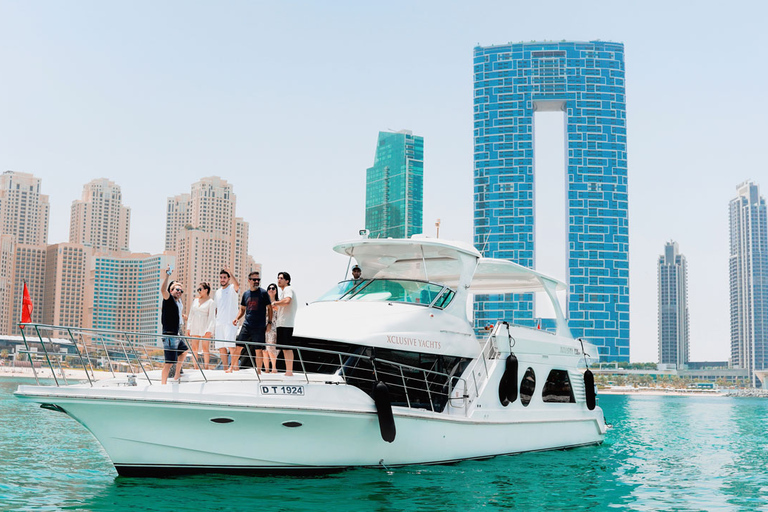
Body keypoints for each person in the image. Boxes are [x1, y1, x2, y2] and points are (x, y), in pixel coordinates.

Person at [234, 271, 272, 373]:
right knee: (238, 347)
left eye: (258, 280)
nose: (256, 281)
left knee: (258, 350)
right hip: (247, 325)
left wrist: (269, 323)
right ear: (249, 280)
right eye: (254, 280)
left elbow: (270, 308)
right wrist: (237, 318)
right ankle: (233, 368)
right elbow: (242, 309)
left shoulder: (263, 293)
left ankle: (258, 371)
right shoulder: (245, 294)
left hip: (259, 326)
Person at [160, 267, 188, 384]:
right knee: (168, 363)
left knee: (184, 351)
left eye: (181, 291)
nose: (179, 292)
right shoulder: (169, 299)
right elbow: (163, 291)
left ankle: (177, 375)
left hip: (175, 335)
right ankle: (163, 384)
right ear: (171, 291)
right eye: (177, 289)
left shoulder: (176, 304)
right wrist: (167, 276)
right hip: (169, 336)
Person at [272, 271, 298, 376]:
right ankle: (288, 371)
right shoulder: (284, 291)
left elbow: (288, 301)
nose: (279, 280)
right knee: (284, 348)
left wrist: (275, 303)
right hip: (282, 323)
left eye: (281, 278)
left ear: (287, 281)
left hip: (286, 324)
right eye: (278, 278)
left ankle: (289, 371)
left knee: (287, 348)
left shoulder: (288, 289)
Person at [214, 268, 240, 372]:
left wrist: (231, 273)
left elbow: (237, 284)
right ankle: (225, 368)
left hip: (230, 323)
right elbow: (216, 308)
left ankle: (234, 367)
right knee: (221, 347)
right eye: (221, 277)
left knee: (231, 346)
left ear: (228, 279)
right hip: (220, 323)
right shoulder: (217, 292)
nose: (222, 279)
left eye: (225, 277)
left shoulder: (232, 288)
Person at [187, 282, 215, 369]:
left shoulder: (211, 302)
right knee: (194, 347)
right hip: (195, 325)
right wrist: (188, 327)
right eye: (198, 289)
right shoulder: (195, 300)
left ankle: (206, 367)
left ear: (206, 290)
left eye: (200, 289)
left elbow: (212, 317)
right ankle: (195, 367)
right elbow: (191, 314)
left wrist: (209, 330)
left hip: (205, 326)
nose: (198, 291)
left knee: (205, 348)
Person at [264, 283, 280, 373]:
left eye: (273, 288)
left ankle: (274, 368)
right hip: (263, 326)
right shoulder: (264, 302)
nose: (271, 289)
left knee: (271, 347)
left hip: (273, 326)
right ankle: (266, 369)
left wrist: (277, 308)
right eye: (269, 288)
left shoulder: (278, 302)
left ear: (276, 291)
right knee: (264, 350)